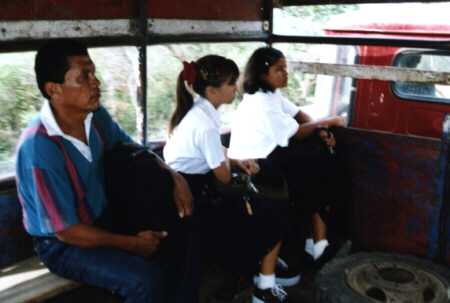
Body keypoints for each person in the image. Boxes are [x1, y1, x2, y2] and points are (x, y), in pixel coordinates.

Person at [15, 38, 196, 303]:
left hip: (103, 219)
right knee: (142, 280)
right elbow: (67, 231)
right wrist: (133, 243)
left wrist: (174, 175)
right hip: (62, 244)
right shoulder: (40, 148)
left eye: (94, 73)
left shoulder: (94, 117)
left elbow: (132, 148)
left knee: (181, 237)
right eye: (83, 76)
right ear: (53, 89)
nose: (95, 81)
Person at [163, 55, 291, 303]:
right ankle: (263, 282)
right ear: (212, 90)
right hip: (190, 194)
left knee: (259, 207)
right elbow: (222, 176)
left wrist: (236, 162)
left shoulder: (201, 110)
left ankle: (259, 264)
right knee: (269, 212)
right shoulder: (205, 123)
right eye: (231, 83)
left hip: (193, 183)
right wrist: (239, 172)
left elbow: (215, 158)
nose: (236, 87)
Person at [228, 47, 345, 268]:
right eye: (279, 69)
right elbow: (298, 131)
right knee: (317, 165)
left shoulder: (272, 95)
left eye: (285, 68)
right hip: (250, 164)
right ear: (263, 74)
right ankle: (317, 240)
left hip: (267, 156)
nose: (285, 73)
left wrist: (320, 129)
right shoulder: (259, 102)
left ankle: (315, 240)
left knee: (316, 155)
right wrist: (330, 122)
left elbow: (301, 117)